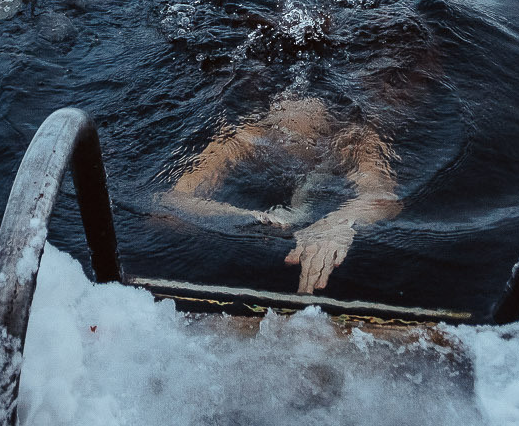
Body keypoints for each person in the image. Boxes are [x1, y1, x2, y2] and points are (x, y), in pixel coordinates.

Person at [161, 91, 402, 293]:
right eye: (282, 138)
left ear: (329, 133)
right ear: (268, 127)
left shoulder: (352, 140)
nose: (289, 144)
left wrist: (339, 222)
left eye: (312, 140)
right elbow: (169, 203)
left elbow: (382, 197)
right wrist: (239, 215)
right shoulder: (244, 137)